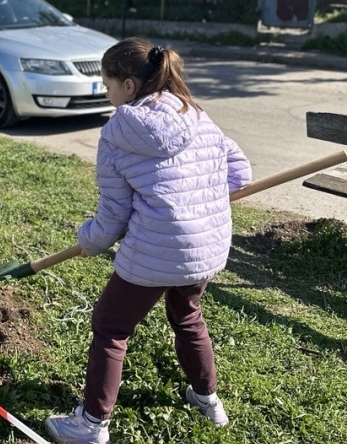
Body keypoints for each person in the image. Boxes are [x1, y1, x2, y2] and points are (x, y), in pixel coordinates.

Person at [45, 38, 252, 443]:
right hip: (205, 248)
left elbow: (112, 219)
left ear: (127, 85)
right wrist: (198, 198)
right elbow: (240, 175)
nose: (107, 97)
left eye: (106, 87)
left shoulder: (118, 131)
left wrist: (88, 239)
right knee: (187, 314)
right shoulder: (196, 113)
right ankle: (207, 399)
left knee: (110, 327)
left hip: (156, 249)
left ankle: (90, 425)